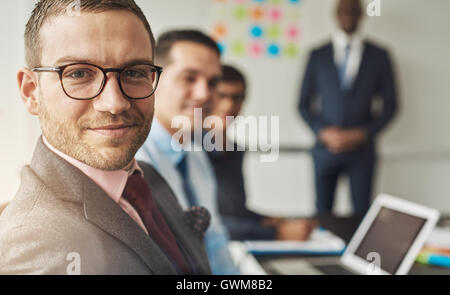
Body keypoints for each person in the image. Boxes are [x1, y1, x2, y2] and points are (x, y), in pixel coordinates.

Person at [0, 0, 210, 275]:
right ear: (31, 92)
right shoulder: (36, 248)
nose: (115, 103)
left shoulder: (143, 177)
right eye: (78, 73)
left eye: (134, 72)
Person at [136, 30, 240, 275]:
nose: (205, 94)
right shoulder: (133, 160)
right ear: (153, 80)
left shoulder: (195, 153)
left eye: (213, 82)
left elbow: (214, 240)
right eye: (189, 78)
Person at [299, 0, 397, 215]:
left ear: (362, 15)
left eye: (354, 12)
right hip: (325, 150)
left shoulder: (379, 56)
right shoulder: (317, 55)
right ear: (336, 14)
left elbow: (391, 106)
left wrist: (361, 134)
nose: (349, 16)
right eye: (344, 11)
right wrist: (324, 133)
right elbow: (303, 104)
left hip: (361, 152)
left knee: (362, 214)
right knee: (322, 214)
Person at [207, 65, 317, 241]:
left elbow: (235, 212)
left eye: (238, 98)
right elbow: (204, 223)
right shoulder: (191, 150)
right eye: (221, 96)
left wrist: (268, 220)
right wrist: (278, 233)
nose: (229, 105)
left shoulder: (235, 150)